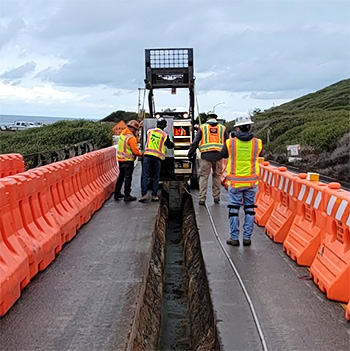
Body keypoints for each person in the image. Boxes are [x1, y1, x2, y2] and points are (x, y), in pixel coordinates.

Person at [220, 116, 262, 246]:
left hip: (235, 183)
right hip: (251, 183)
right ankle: (247, 238)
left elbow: (223, 155)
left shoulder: (230, 143)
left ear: (238, 128)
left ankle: (234, 238)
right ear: (249, 127)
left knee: (234, 209)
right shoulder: (257, 143)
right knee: (249, 209)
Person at [187, 113, 229, 205]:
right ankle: (216, 197)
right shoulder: (222, 128)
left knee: (203, 176)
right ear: (216, 119)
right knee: (217, 176)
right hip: (218, 156)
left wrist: (190, 153)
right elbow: (227, 143)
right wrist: (226, 155)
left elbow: (195, 142)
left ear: (208, 118)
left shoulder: (203, 127)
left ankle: (202, 198)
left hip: (206, 156)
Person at [139, 118, 174, 203]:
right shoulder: (164, 135)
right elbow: (169, 145)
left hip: (147, 155)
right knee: (155, 176)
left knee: (145, 175)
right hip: (157, 157)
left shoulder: (149, 131)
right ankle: (154, 195)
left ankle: (144, 195)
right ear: (164, 126)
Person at [114, 120, 142, 202]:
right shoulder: (131, 138)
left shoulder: (123, 134)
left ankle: (117, 193)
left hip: (120, 160)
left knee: (121, 177)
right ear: (134, 129)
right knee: (128, 178)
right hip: (128, 161)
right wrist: (141, 154)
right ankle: (127, 195)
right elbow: (136, 151)